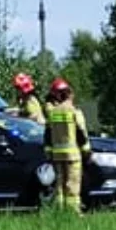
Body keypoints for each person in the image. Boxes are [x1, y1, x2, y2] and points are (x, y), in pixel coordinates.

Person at [43, 78, 91, 214]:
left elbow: (47, 134)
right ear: (69, 94)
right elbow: (80, 133)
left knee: (59, 184)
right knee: (72, 184)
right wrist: (86, 151)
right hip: (73, 155)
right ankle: (73, 212)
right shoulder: (74, 111)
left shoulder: (53, 112)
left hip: (57, 155)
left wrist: (48, 152)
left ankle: (59, 210)